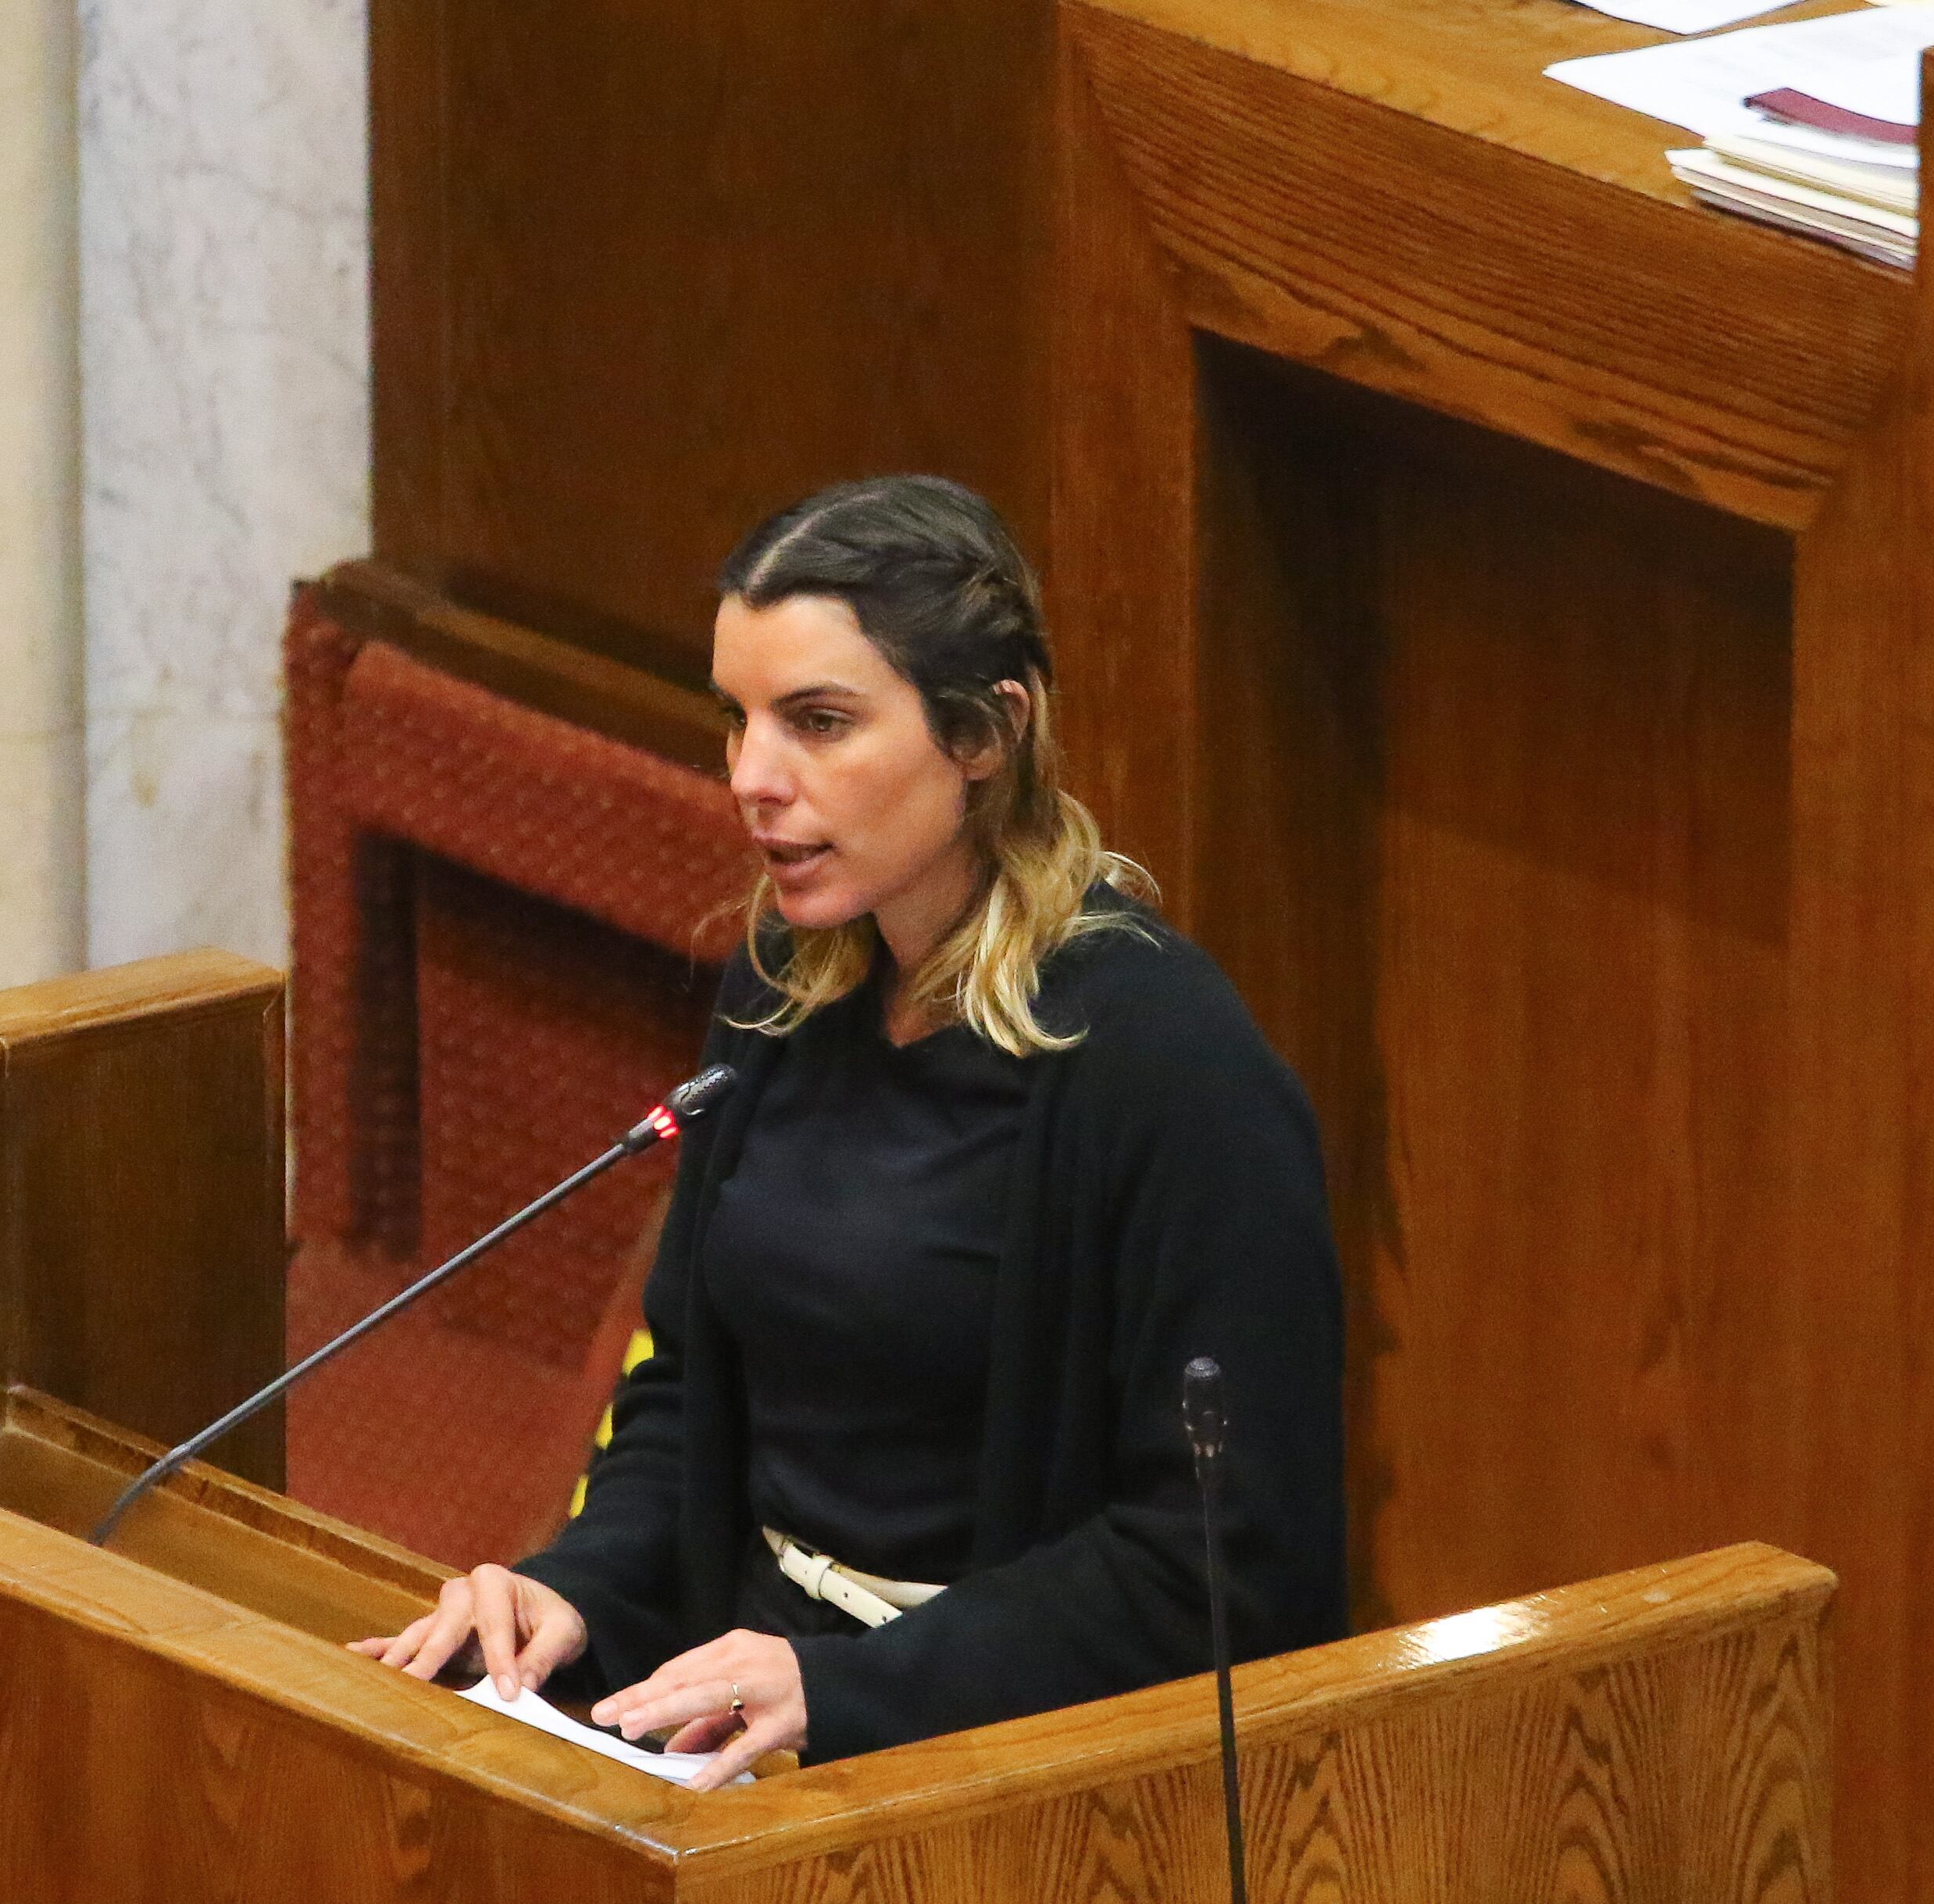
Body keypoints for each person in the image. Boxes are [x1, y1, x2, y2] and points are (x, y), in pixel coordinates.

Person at [352, 474, 1346, 1790]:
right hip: (733, 1704)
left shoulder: (1169, 1069)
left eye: (818, 723)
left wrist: (844, 1687)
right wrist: (577, 1591)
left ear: (987, 732)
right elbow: (685, 1393)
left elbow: (1223, 1564)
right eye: (738, 720)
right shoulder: (784, 986)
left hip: (1004, 1760)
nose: (753, 779)